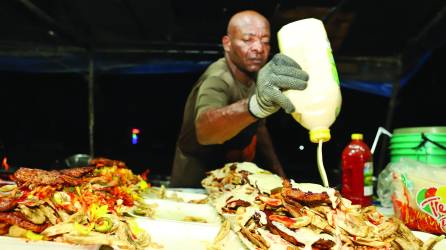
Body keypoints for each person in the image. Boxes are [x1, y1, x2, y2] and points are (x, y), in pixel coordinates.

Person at [170, 10, 309, 187]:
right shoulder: (217, 78)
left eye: (265, 41)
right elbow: (204, 131)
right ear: (227, 44)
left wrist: (282, 179)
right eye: (248, 40)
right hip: (192, 188)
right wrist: (255, 105)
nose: (259, 48)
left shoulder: (255, 77)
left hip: (226, 183)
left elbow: (259, 128)